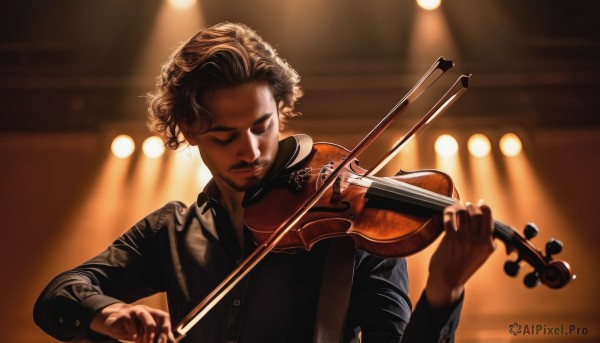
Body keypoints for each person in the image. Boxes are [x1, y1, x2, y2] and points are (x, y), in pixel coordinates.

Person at [33, 22, 496, 343]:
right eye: (224, 135)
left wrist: (444, 289)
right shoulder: (169, 233)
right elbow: (57, 295)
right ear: (190, 132)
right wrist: (107, 313)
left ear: (282, 111)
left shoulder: (352, 231)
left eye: (262, 125)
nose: (250, 150)